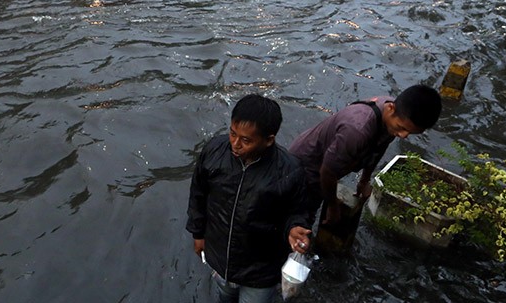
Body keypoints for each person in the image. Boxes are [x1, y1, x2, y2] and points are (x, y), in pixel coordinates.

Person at [187, 95, 312, 303]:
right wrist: (198, 233)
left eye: (246, 140)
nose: (235, 144)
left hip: (260, 270)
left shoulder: (289, 171)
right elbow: (198, 194)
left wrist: (295, 228)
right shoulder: (214, 152)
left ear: (268, 140)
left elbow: (298, 211)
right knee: (224, 297)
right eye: (232, 133)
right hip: (220, 257)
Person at [289, 85, 442, 226]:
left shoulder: (392, 118)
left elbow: (379, 146)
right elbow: (327, 172)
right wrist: (333, 206)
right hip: (304, 167)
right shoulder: (357, 130)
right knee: (299, 218)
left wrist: (364, 180)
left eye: (410, 132)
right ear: (390, 108)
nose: (403, 135)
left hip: (328, 159)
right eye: (401, 128)